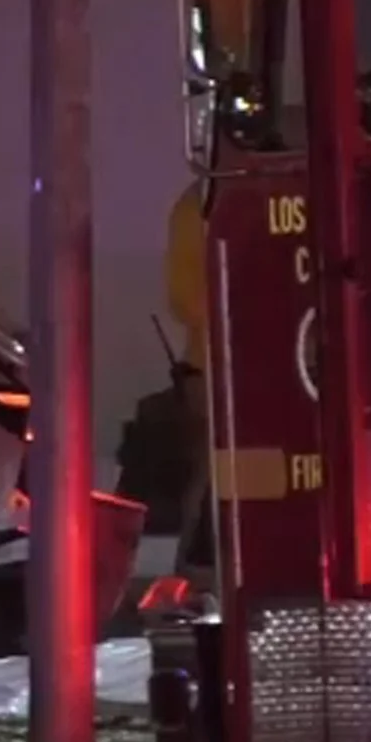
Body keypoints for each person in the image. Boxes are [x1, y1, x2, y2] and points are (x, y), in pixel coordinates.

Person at [164, 179, 214, 582]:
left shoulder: (194, 203)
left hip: (213, 362)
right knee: (208, 465)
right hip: (213, 365)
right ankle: (188, 569)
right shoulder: (195, 206)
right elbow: (185, 299)